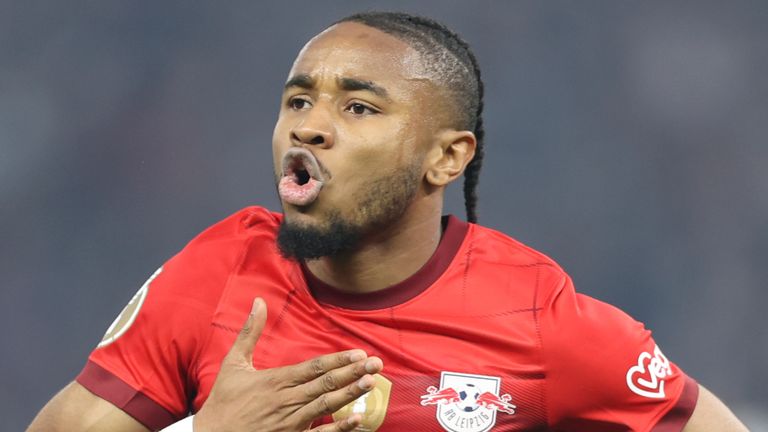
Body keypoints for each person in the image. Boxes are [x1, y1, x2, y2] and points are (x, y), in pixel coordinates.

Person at [27, 11, 747, 432]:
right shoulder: (217, 275)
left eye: (358, 108)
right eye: (298, 100)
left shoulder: (544, 322)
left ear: (446, 159)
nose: (309, 128)